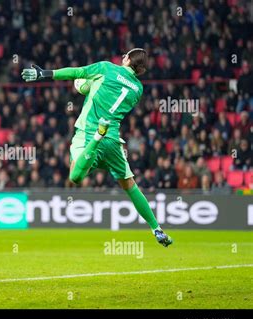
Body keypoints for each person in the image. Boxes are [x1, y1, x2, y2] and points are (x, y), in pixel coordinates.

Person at [21, 48, 173, 247]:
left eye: (125, 55)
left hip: (89, 133)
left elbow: (76, 72)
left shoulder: (106, 68)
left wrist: (45, 74)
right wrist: (91, 85)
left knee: (75, 176)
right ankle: (156, 229)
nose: (122, 56)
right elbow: (110, 90)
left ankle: (95, 141)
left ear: (127, 59)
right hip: (113, 141)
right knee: (130, 186)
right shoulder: (138, 89)